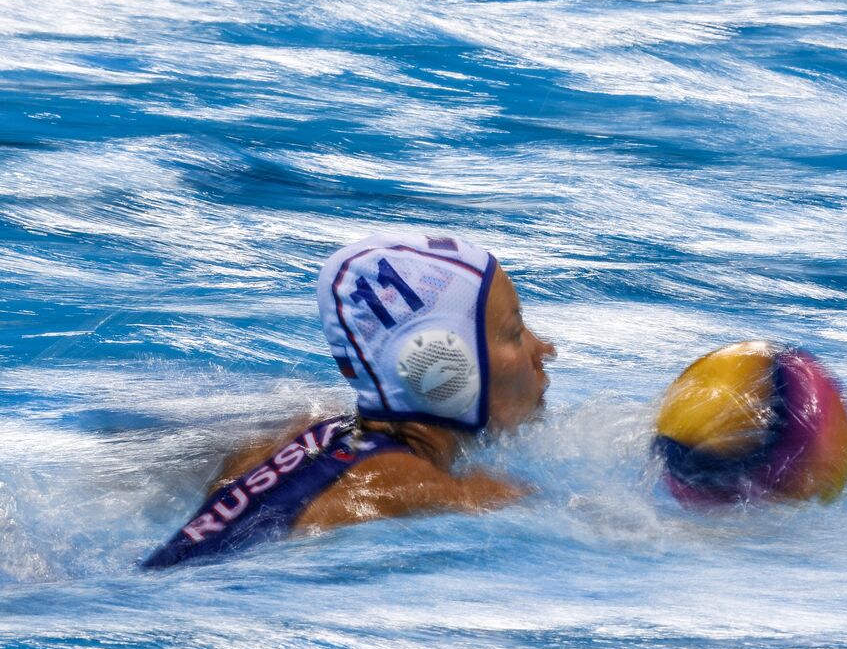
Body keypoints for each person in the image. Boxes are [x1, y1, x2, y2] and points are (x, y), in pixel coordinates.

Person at [142, 232, 556, 569]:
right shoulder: (438, 495)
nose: (545, 348)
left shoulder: (300, 436)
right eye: (514, 332)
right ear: (444, 366)